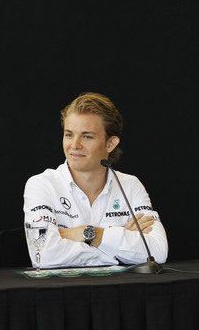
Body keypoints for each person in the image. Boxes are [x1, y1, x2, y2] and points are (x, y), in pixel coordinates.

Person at [23, 92, 168, 268]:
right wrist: (119, 248)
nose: (74, 145)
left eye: (87, 136)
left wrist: (87, 234)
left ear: (110, 144)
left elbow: (158, 252)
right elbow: (43, 255)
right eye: (69, 134)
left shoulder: (130, 185)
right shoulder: (41, 184)